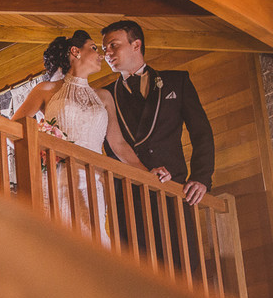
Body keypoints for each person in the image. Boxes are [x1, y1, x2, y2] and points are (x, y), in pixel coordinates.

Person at [11, 30, 164, 244]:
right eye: (94, 48)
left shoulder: (104, 97)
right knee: (57, 241)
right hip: (57, 178)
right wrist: (43, 146)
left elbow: (118, 145)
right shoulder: (46, 89)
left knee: (92, 241)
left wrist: (148, 174)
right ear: (75, 51)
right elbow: (13, 128)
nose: (101, 54)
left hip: (92, 180)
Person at [102, 19, 214, 269]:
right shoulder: (105, 95)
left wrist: (202, 177)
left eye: (113, 45)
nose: (107, 53)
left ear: (136, 44)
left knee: (184, 269)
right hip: (129, 198)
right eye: (104, 49)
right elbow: (112, 145)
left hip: (174, 191)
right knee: (140, 277)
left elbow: (201, 132)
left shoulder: (176, 82)